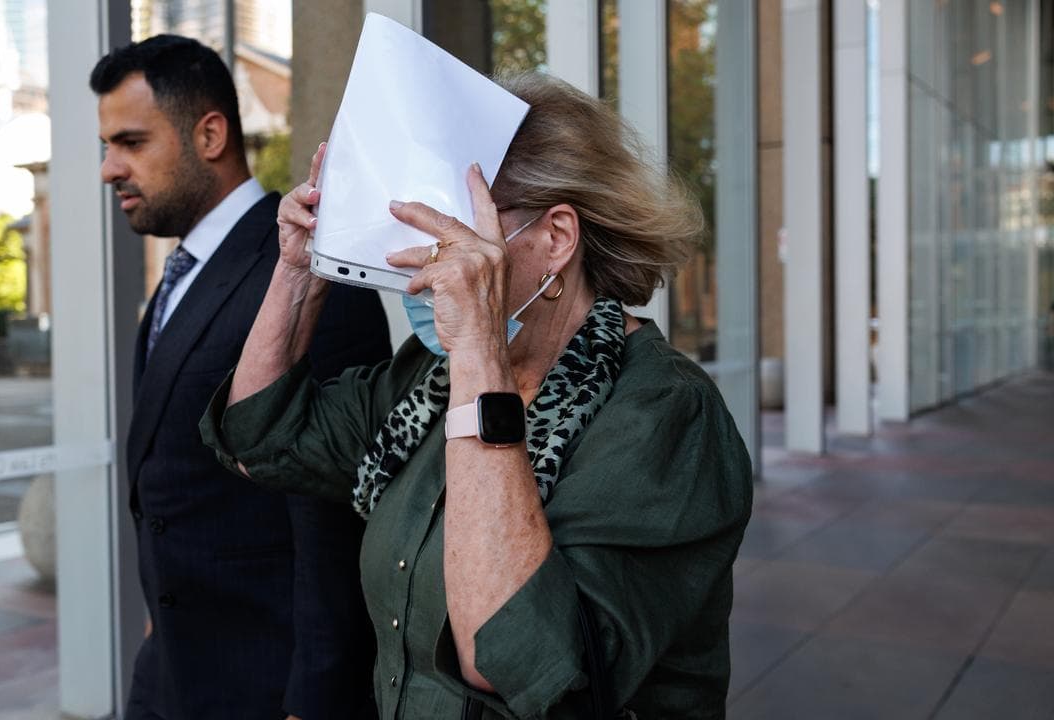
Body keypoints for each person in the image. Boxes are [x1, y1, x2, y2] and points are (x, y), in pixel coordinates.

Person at [201, 72, 754, 719]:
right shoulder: (429, 381)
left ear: (556, 238)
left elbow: (514, 661)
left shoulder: (667, 413)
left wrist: (479, 354)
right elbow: (260, 435)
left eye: (456, 229)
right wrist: (299, 269)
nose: (425, 262)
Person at [90, 35, 390, 720]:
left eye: (131, 142)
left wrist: (314, 700)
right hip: (170, 671)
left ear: (210, 135)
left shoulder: (309, 271)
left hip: (264, 686)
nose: (109, 169)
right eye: (107, 146)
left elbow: (336, 514)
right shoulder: (182, 273)